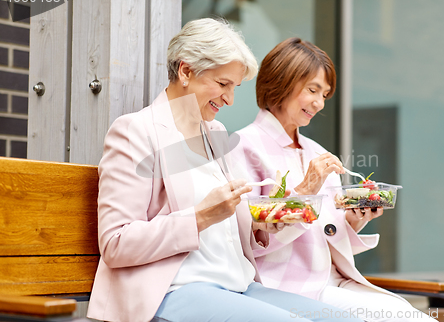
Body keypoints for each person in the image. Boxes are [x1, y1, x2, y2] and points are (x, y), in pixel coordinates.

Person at [86, 19, 363, 322]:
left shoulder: (215, 133)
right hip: (176, 290)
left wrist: (263, 223)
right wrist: (200, 217)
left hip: (238, 286)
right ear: (186, 71)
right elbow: (115, 244)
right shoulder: (135, 132)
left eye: (235, 87)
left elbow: (233, 226)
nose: (230, 99)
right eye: (222, 84)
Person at [230, 37, 437, 322]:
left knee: (410, 316)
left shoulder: (318, 152)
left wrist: (355, 218)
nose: (319, 103)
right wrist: (305, 190)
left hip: (333, 281)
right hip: (284, 288)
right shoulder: (242, 146)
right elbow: (249, 242)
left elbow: (328, 236)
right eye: (312, 90)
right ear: (280, 82)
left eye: (325, 95)